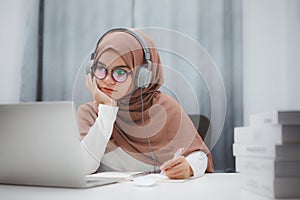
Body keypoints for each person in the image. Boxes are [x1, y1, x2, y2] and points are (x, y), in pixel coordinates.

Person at [77, 28, 214, 179]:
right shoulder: (89, 112)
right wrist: (107, 111)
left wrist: (189, 167)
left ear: (141, 77)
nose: (107, 80)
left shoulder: (164, 107)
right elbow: (84, 167)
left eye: (120, 72)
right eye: (100, 69)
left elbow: (199, 156)